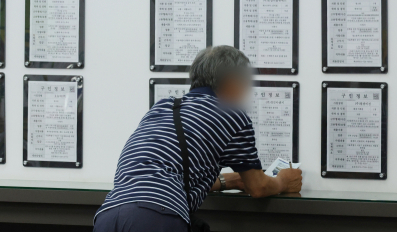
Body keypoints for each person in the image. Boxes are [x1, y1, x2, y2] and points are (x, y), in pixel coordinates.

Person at [93, 46, 302, 232]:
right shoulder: (232, 115)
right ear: (231, 82)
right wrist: (283, 181)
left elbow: (168, 171)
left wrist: (230, 181)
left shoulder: (164, 106)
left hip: (109, 213)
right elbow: (258, 188)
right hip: (158, 216)